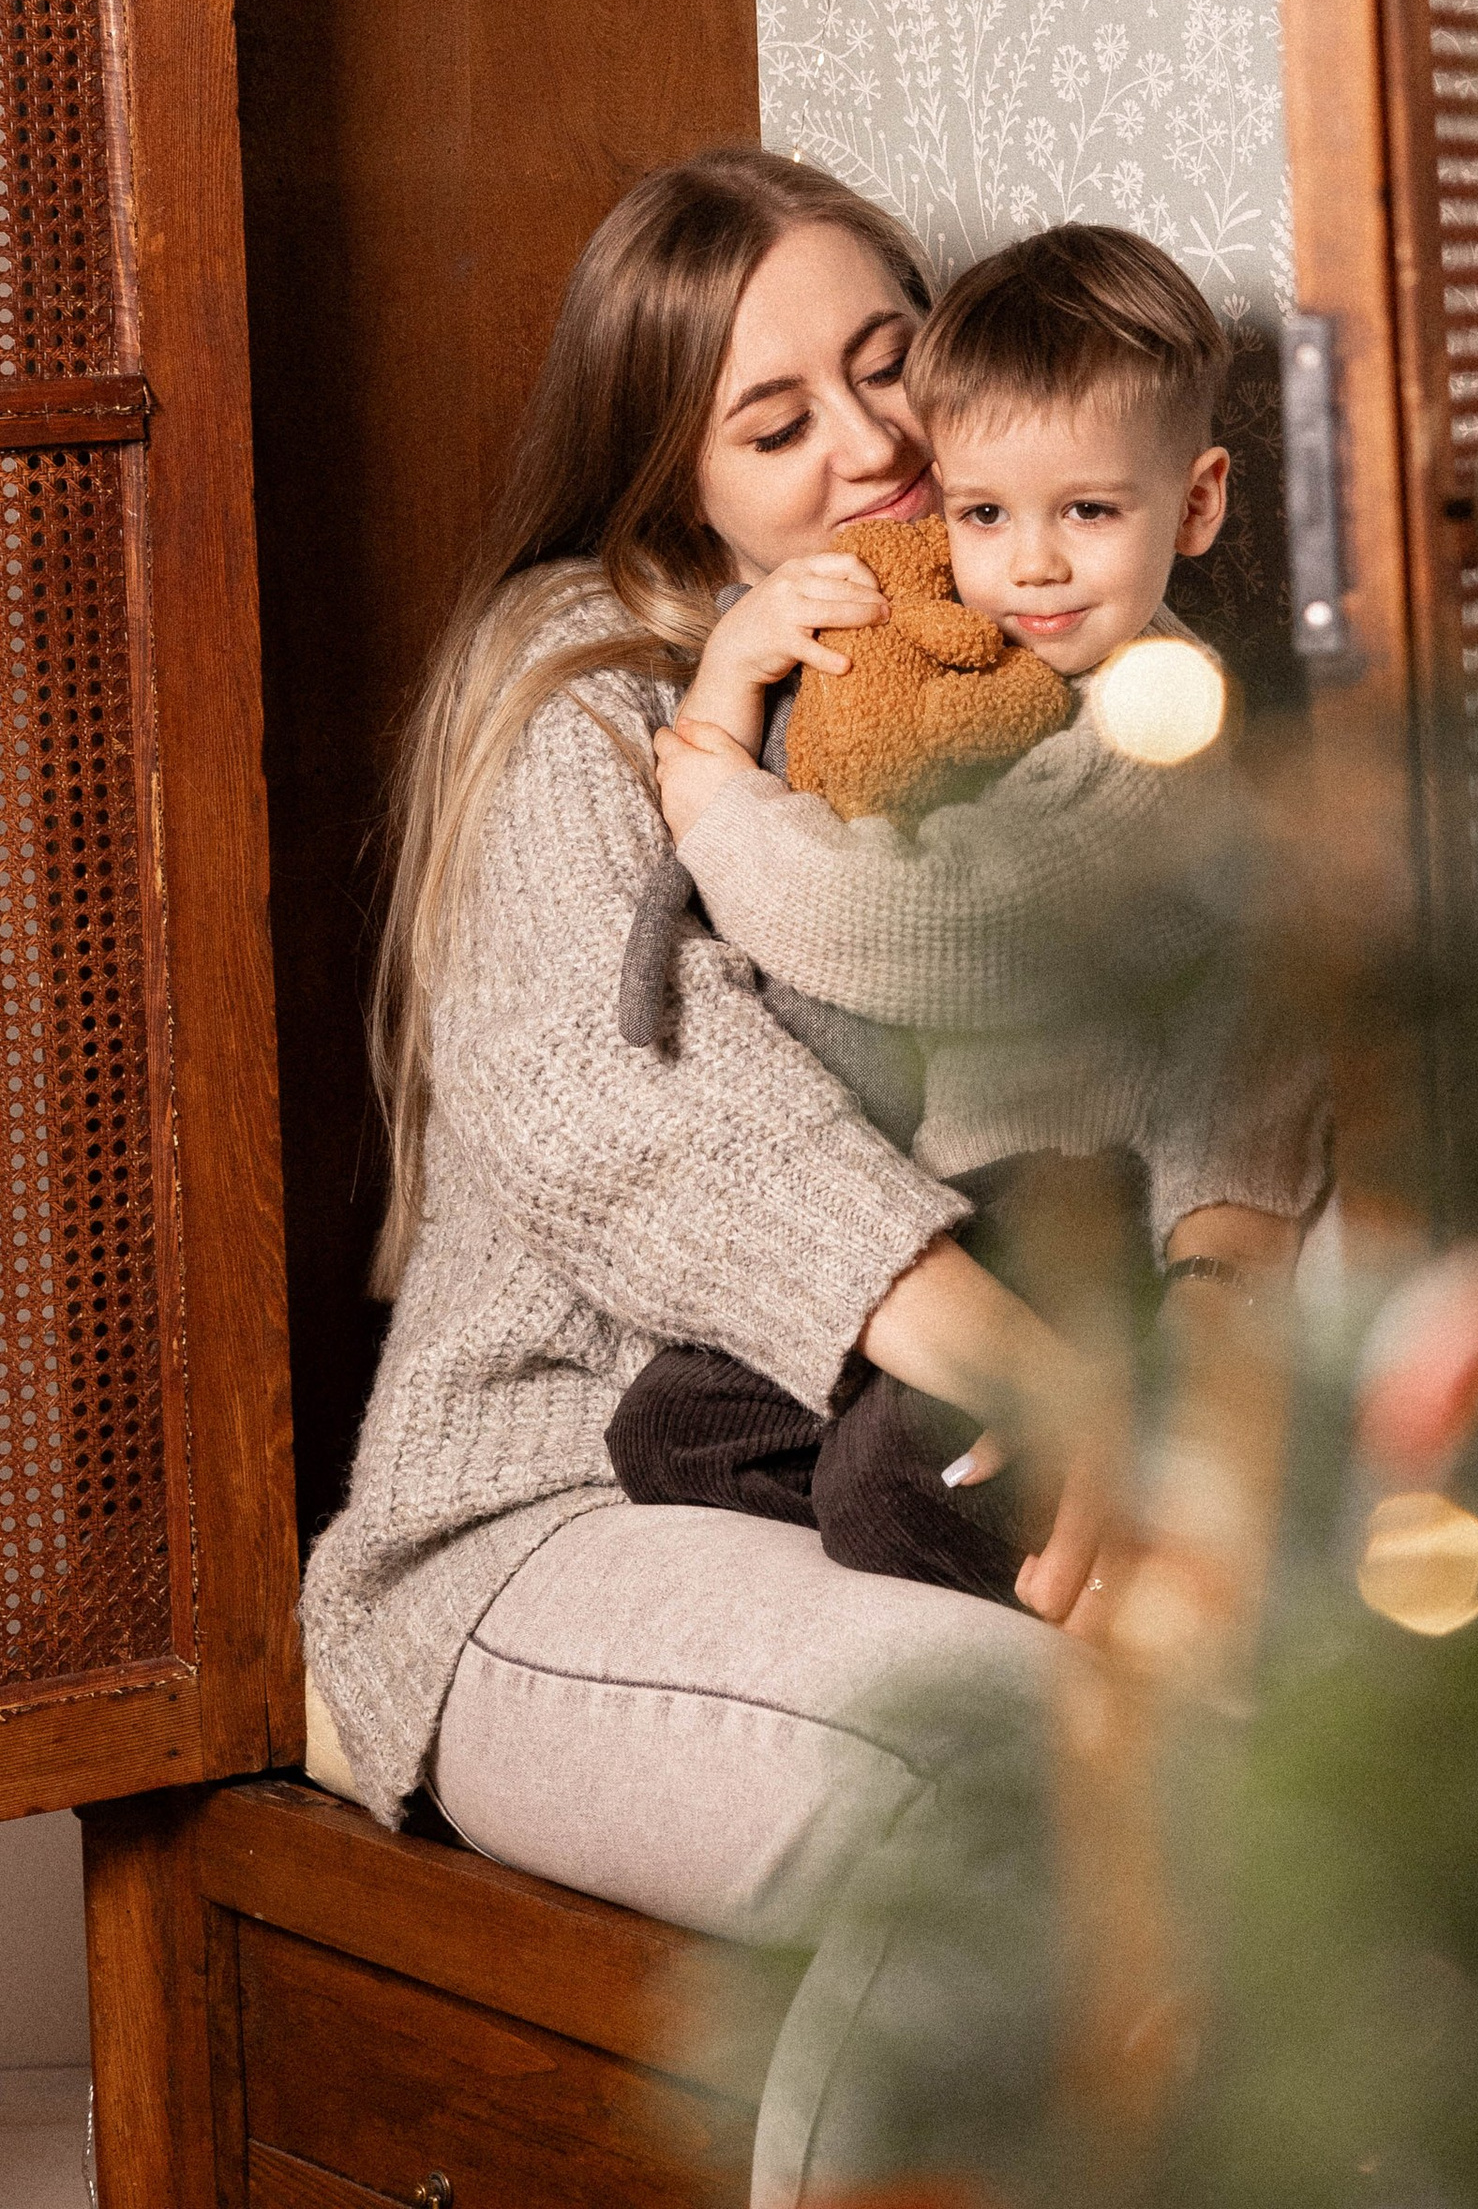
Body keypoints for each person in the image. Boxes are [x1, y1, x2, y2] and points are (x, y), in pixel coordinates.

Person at [298, 150, 1286, 2202]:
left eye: (888, 365)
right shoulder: (591, 681)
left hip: (899, 1471)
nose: (873, 449)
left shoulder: (1045, 642)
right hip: (541, 1513)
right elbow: (635, 1120)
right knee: (1018, 1785)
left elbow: (1212, 976)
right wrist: (1049, 1383)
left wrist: (1204, 1303)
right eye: (775, 422)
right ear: (672, 482)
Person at [610, 224, 1327, 1603]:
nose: (1033, 568)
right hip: (941, 1205)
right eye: (986, 515)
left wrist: (718, 808)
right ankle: (919, 1476)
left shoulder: (1158, 719)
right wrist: (723, 696)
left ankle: (1119, 1554)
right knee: (669, 1424)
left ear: (1197, 503)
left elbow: (935, 934)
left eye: (1091, 514)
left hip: (1071, 1194)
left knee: (889, 1480)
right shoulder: (974, 656)